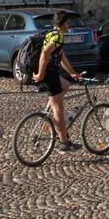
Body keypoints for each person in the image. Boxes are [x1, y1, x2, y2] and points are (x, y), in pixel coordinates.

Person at [32, 10, 83, 153]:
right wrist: (40, 75)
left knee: (66, 85)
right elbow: (45, 53)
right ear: (63, 23)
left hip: (51, 73)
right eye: (68, 22)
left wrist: (72, 73)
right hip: (49, 75)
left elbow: (61, 56)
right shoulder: (58, 36)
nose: (69, 24)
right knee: (59, 112)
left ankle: (51, 108)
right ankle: (64, 143)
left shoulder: (52, 32)